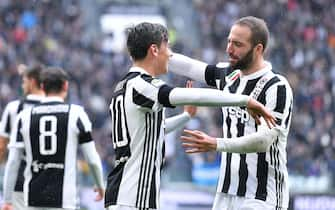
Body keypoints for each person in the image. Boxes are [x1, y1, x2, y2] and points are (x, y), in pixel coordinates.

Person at [104, 22, 276, 210]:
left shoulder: (124, 86)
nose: (169, 54)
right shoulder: (142, 86)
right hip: (131, 197)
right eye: (166, 47)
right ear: (154, 50)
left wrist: (185, 117)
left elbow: (153, 130)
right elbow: (194, 95)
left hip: (128, 194)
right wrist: (245, 100)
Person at [169, 16, 293, 210]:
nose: (229, 49)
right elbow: (191, 67)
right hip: (226, 193)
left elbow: (263, 141)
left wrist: (216, 143)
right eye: (229, 41)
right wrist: (156, 53)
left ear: (258, 49)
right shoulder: (229, 75)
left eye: (237, 44)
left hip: (262, 196)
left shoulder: (276, 87)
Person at [2, 67, 105, 210]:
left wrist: (7, 199)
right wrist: (100, 185)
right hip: (65, 200)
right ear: (65, 86)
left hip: (33, 199)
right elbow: (92, 158)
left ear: (43, 86)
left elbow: (13, 161)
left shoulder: (24, 117)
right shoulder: (76, 114)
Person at [0, 64, 45, 210]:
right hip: (47, 183)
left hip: (19, 180)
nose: (22, 85)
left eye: (24, 81)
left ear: (32, 82)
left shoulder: (14, 108)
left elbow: (1, 146)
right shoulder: (59, 110)